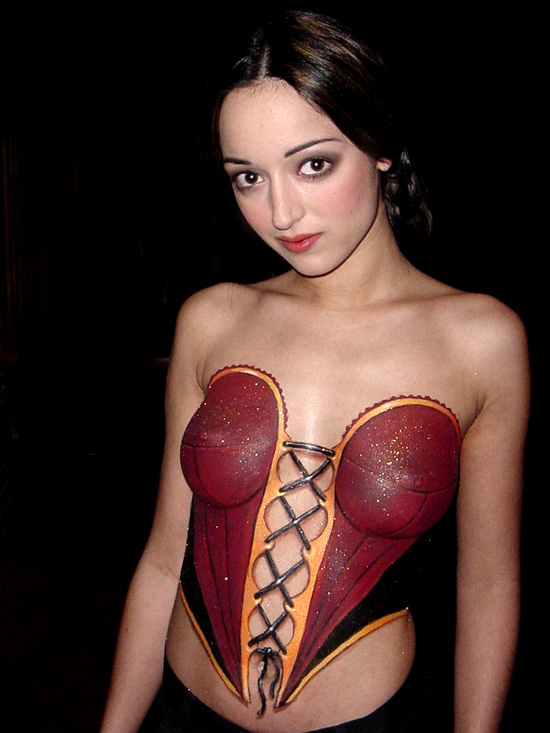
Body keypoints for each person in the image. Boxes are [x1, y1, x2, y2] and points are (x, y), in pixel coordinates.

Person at [100, 10, 530, 732]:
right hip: (183, 712)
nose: (281, 212)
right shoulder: (213, 319)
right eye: (248, 177)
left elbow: (488, 581)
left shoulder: (481, 341)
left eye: (313, 164)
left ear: (381, 145)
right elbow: (162, 559)